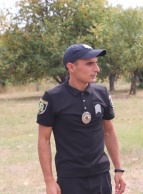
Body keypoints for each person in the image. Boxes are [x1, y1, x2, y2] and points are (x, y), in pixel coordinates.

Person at [37, 44, 126, 194]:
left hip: (101, 175)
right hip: (71, 178)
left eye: (96, 63)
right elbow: (43, 140)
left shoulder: (102, 92)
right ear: (71, 67)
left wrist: (118, 169)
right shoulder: (52, 97)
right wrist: (49, 181)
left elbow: (109, 131)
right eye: (90, 64)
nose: (96, 69)